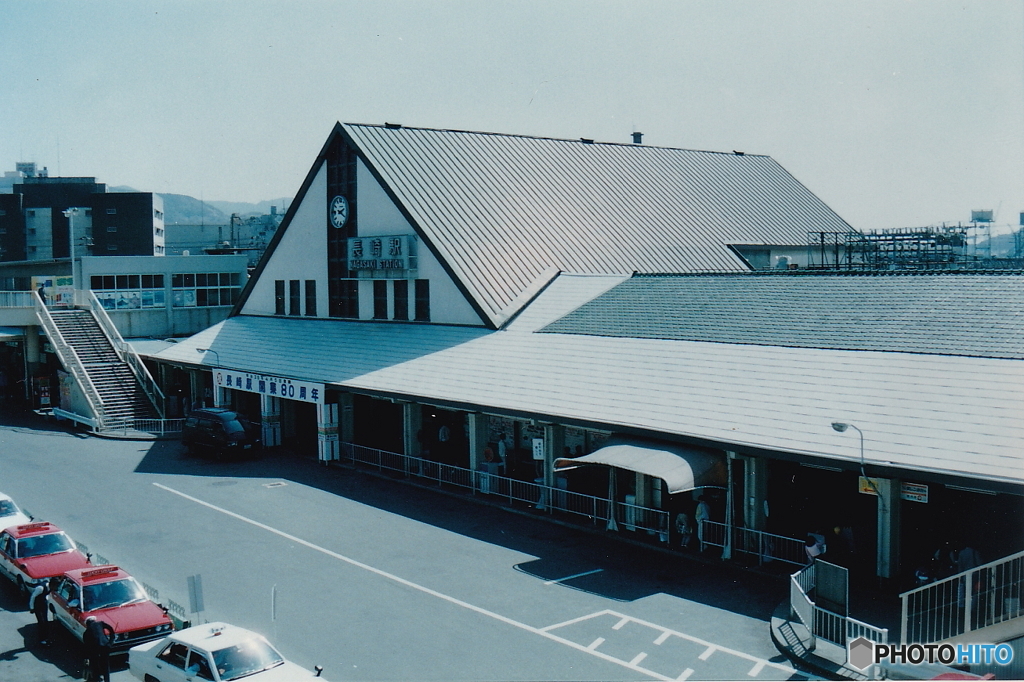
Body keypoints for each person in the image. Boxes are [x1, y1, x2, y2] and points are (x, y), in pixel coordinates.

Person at [83, 616, 114, 682]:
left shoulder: (86, 632)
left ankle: (97, 679)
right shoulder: (100, 623)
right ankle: (107, 680)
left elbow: (86, 647)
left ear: (87, 624)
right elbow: (111, 629)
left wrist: (87, 657)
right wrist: (111, 641)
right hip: (105, 645)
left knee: (95, 665)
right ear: (94, 620)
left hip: (95, 649)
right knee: (105, 665)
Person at [29, 578, 54, 645]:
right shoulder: (40, 588)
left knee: (45, 622)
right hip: (37, 606)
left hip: (43, 604)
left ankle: (46, 638)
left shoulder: (50, 587)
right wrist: (32, 608)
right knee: (41, 622)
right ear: (51, 584)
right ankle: (42, 639)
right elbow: (33, 597)